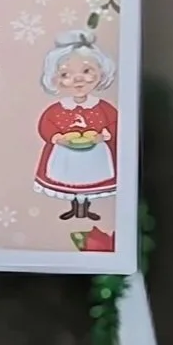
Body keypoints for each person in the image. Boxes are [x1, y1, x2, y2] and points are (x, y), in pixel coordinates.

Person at [31, 28, 119, 224]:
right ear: (55, 79)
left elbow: (115, 124)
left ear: (101, 73)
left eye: (87, 71)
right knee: (70, 180)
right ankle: (73, 208)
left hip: (96, 153)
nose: (78, 79)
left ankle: (86, 208)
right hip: (66, 153)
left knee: (90, 180)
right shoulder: (58, 108)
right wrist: (56, 137)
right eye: (66, 74)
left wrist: (104, 135)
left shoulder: (103, 107)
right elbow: (46, 125)